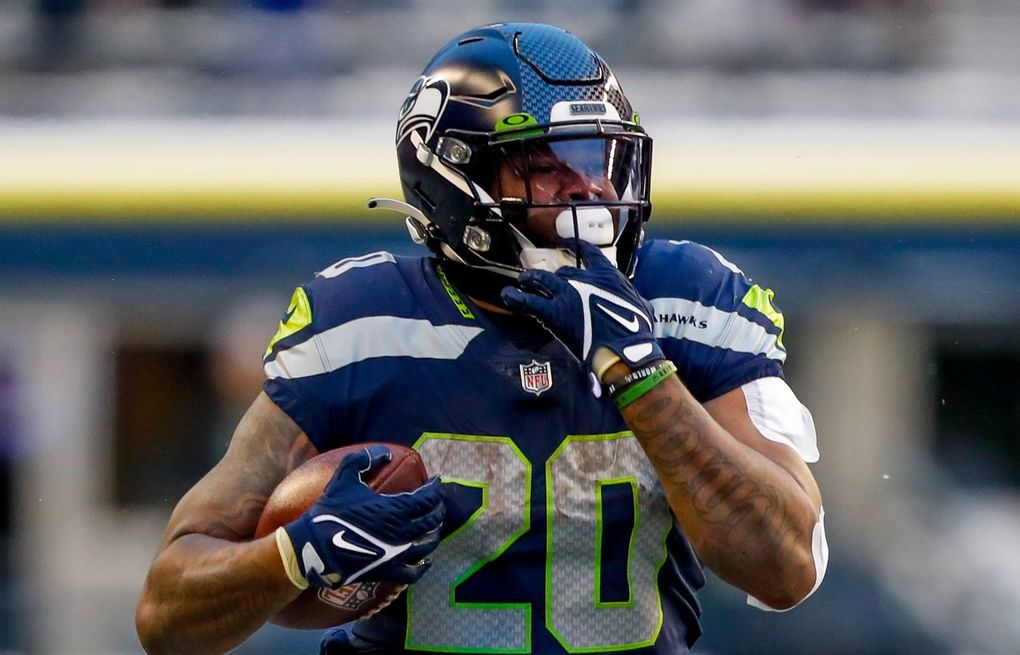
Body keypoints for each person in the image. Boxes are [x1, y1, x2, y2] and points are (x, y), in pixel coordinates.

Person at [136, 22, 827, 655]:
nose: (590, 190)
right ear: (456, 179)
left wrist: (642, 373)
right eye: (548, 164)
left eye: (601, 158)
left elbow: (788, 566)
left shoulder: (688, 299)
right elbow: (167, 611)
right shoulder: (364, 324)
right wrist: (291, 556)